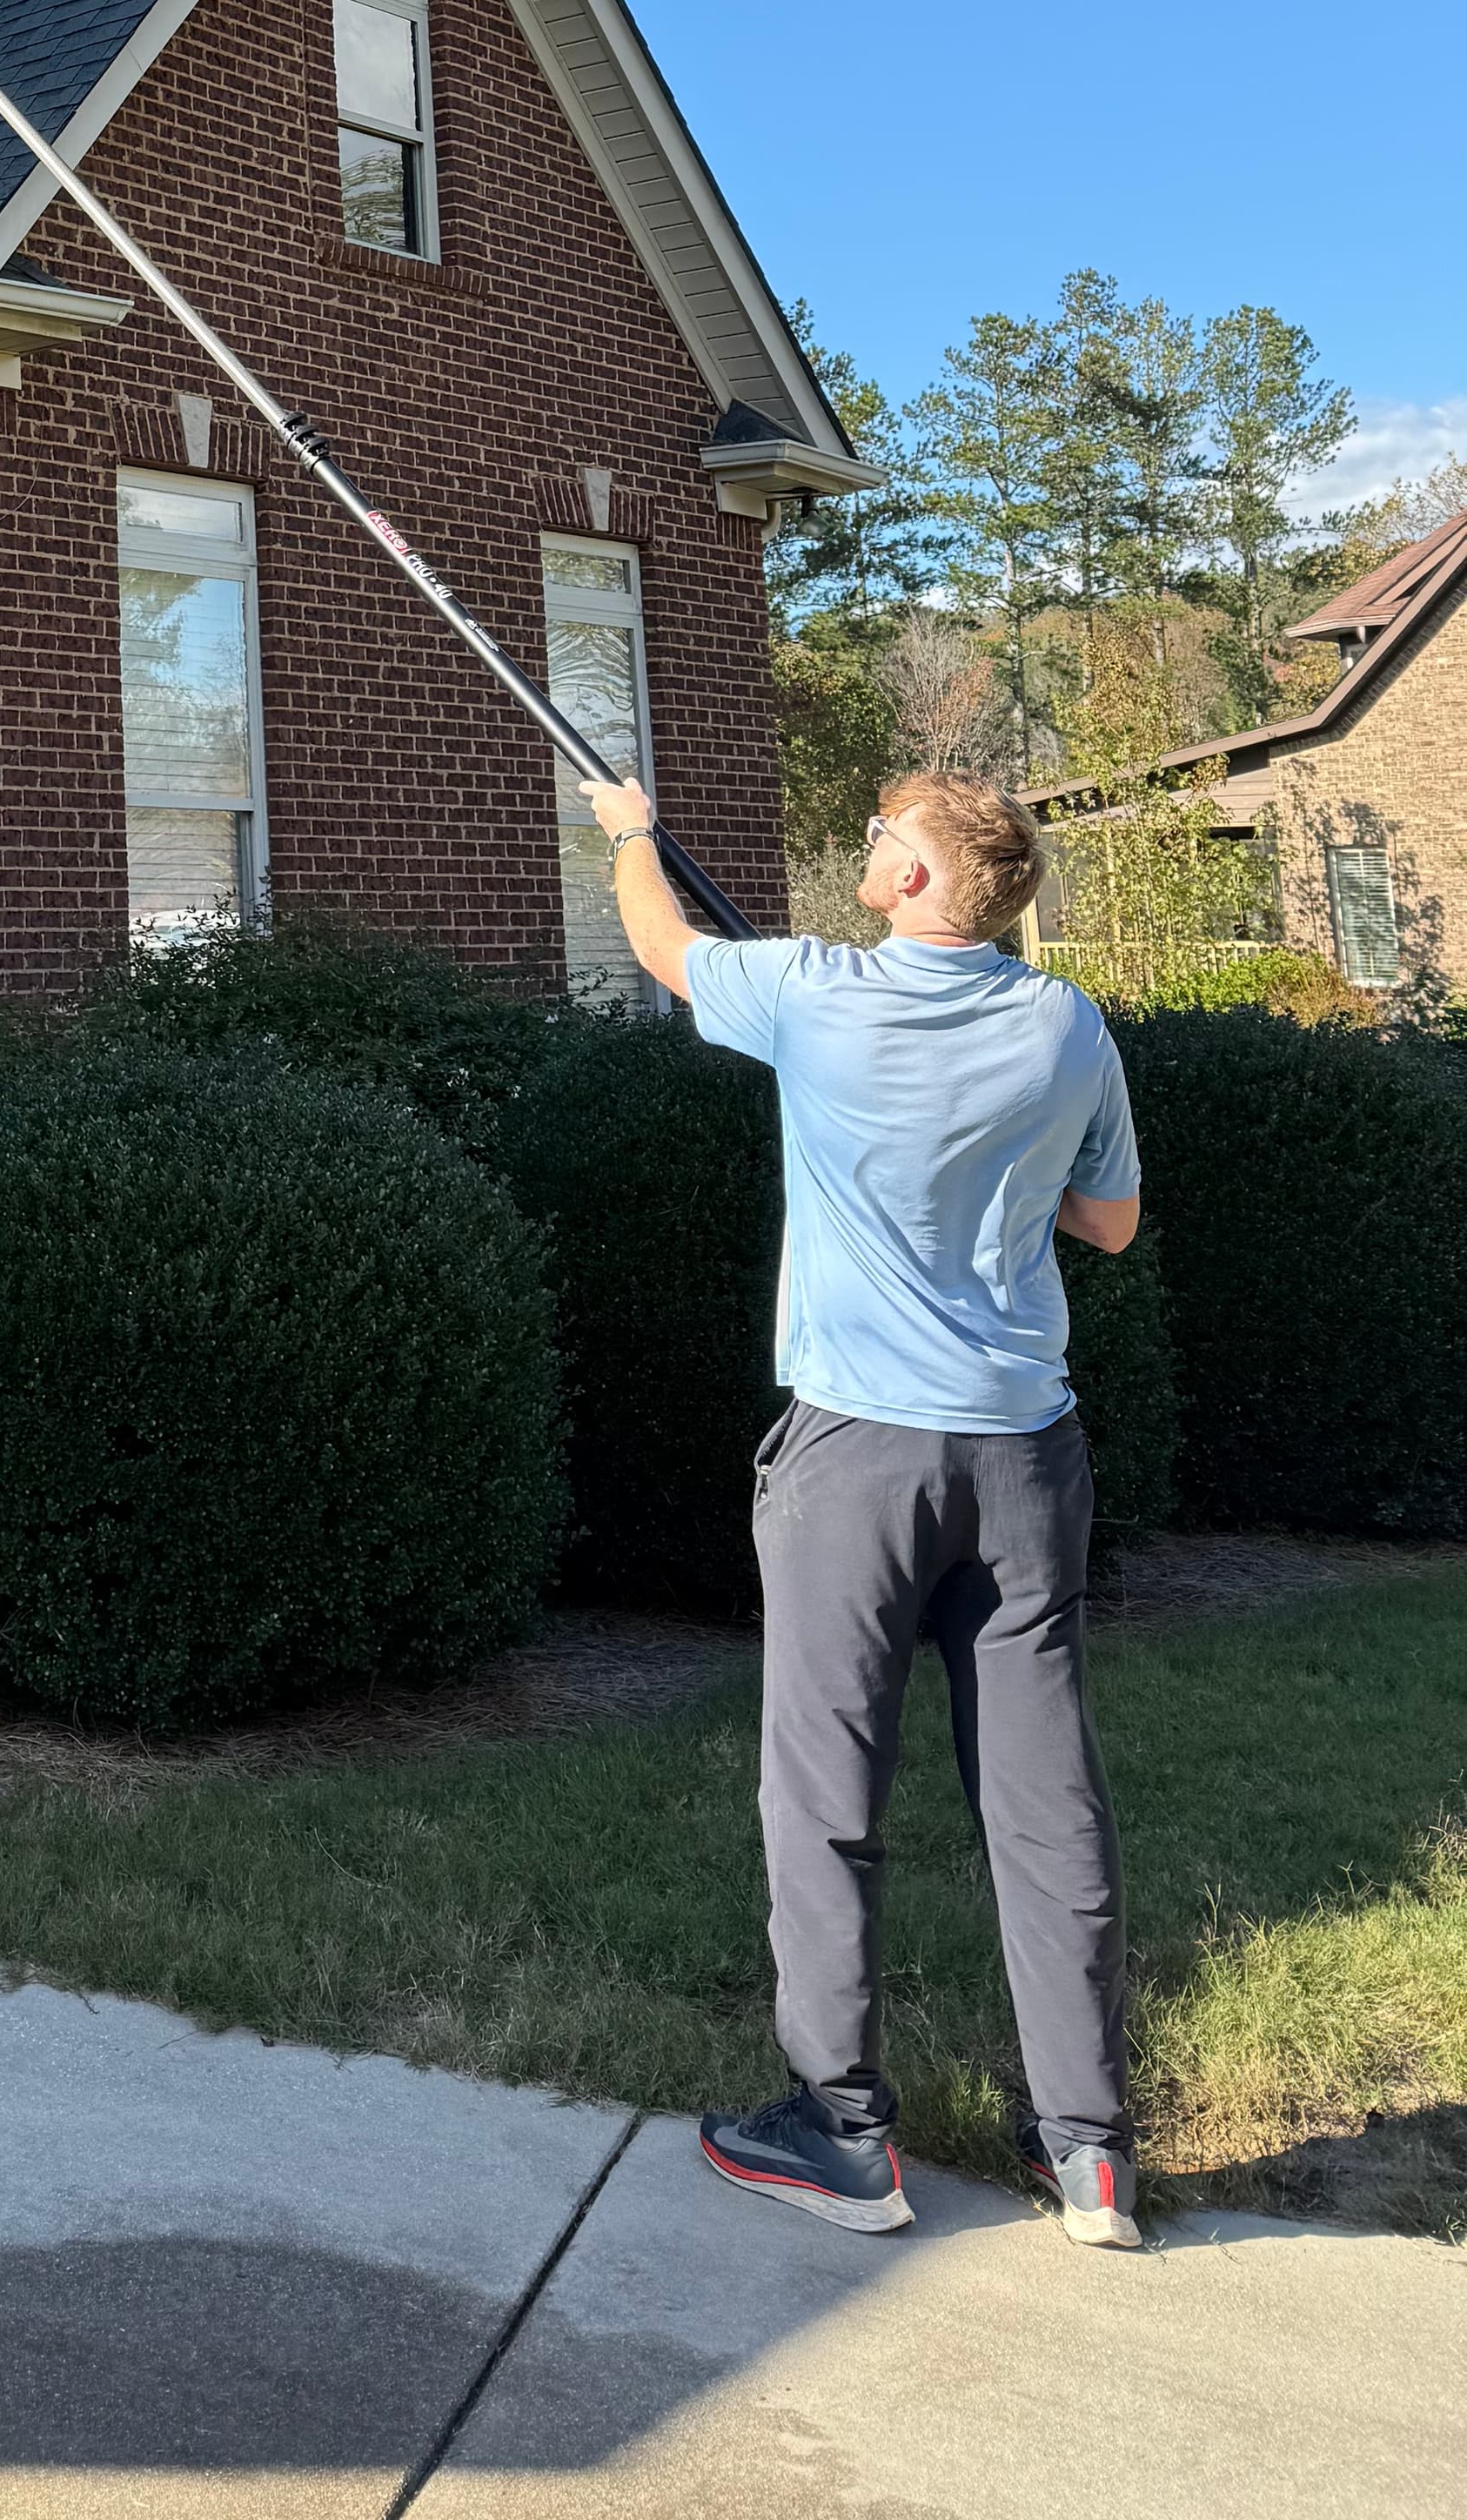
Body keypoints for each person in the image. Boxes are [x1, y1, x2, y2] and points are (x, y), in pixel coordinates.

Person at [586, 763, 1146, 2251]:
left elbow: (660, 944)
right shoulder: (1065, 1023)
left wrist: (636, 833)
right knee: (1046, 1803)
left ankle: (842, 2133)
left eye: (886, 835)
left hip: (857, 1462)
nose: (869, 845)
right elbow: (1110, 1221)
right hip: (1027, 1457)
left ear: (915, 883)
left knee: (825, 1793)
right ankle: (1088, 2154)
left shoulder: (817, 996)